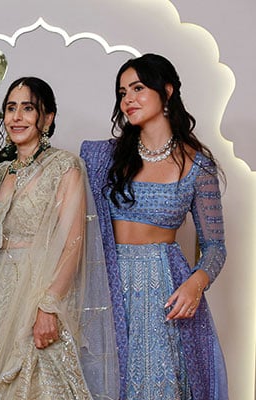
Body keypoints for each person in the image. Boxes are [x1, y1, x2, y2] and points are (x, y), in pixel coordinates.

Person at [0, 77, 118, 399]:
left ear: (48, 117)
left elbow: (73, 242)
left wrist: (48, 307)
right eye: (11, 109)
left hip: (38, 290)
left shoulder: (65, 166)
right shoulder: (1, 173)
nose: (16, 117)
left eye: (28, 108)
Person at [80, 53, 228, 399]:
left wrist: (196, 283)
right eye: (122, 92)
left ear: (168, 91)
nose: (128, 99)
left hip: (163, 287)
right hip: (107, 282)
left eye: (138, 88)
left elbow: (216, 247)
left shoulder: (197, 166)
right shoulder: (103, 158)